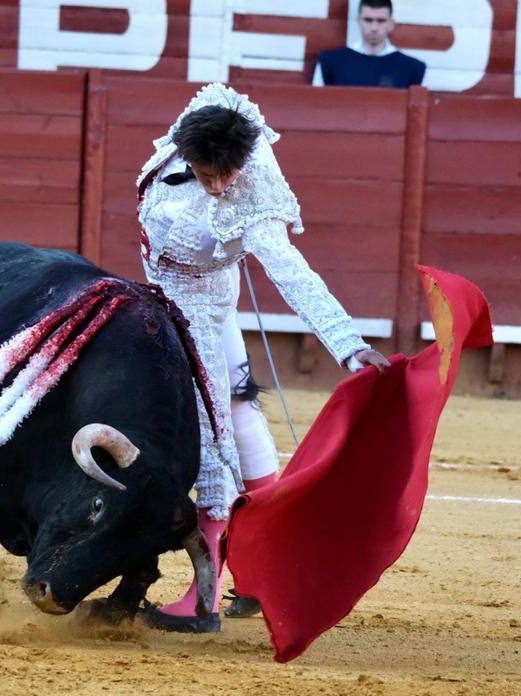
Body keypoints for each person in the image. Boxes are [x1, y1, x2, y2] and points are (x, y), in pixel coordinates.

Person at [136, 83, 390, 633]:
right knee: (239, 411)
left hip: (201, 310)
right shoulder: (201, 125)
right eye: (210, 174)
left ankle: (203, 598)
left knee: (211, 432)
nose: (222, 184)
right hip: (176, 295)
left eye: (229, 174)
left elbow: (292, 272)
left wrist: (347, 344)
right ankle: (259, 574)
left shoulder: (253, 194)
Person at [313, 0, 425, 89]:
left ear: (391, 24)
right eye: (368, 20)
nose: (374, 28)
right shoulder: (330, 63)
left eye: (380, 21)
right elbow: (315, 108)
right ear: (358, 21)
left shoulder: (413, 69)